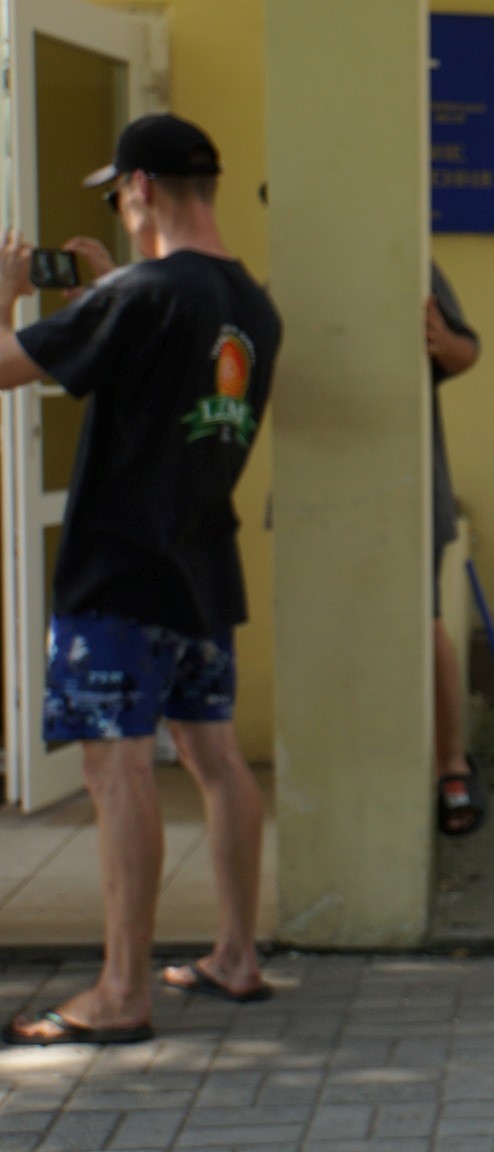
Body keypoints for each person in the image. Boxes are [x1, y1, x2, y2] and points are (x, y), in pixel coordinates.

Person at [0, 114, 282, 1045]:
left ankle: (122, 992)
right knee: (216, 758)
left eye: (119, 193)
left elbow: (5, 367)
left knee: (113, 769)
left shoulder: (139, 292)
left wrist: (8, 295)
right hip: (204, 563)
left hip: (119, 571)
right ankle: (236, 957)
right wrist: (108, 290)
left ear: (142, 190)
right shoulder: (252, 304)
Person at [424, 264, 485, 835]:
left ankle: (451, 766)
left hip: (412, 492)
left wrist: (444, 344)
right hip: (317, 496)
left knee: (424, 621)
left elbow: (466, 349)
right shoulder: (293, 266)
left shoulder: (412, 263)